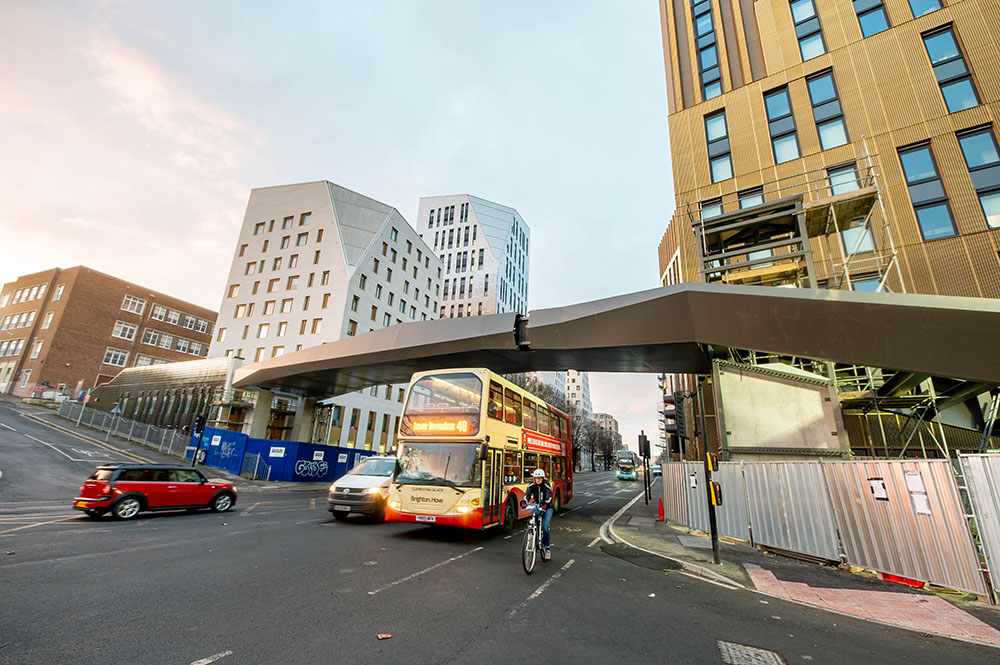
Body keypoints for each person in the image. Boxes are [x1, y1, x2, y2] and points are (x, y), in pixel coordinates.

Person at [523, 468, 554, 561]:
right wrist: (524, 503)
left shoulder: (546, 486)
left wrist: (546, 505)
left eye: (539, 478)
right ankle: (534, 530)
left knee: (545, 527)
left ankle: (547, 548)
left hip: (547, 507)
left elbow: (549, 497)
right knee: (534, 514)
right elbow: (527, 496)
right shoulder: (531, 486)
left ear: (543, 478)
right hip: (537, 504)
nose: (538, 480)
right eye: (536, 478)